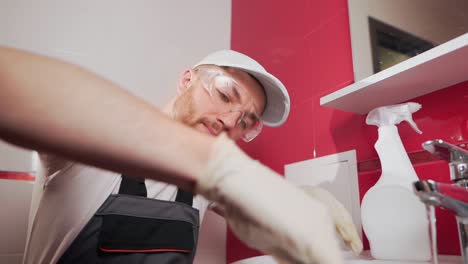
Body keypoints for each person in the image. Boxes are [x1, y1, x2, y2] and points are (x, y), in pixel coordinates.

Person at [0, 46, 361, 264]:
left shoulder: (206, 186)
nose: (231, 121)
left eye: (247, 121)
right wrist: (219, 166)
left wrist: (308, 197)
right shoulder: (94, 148)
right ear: (187, 80)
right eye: (224, 94)